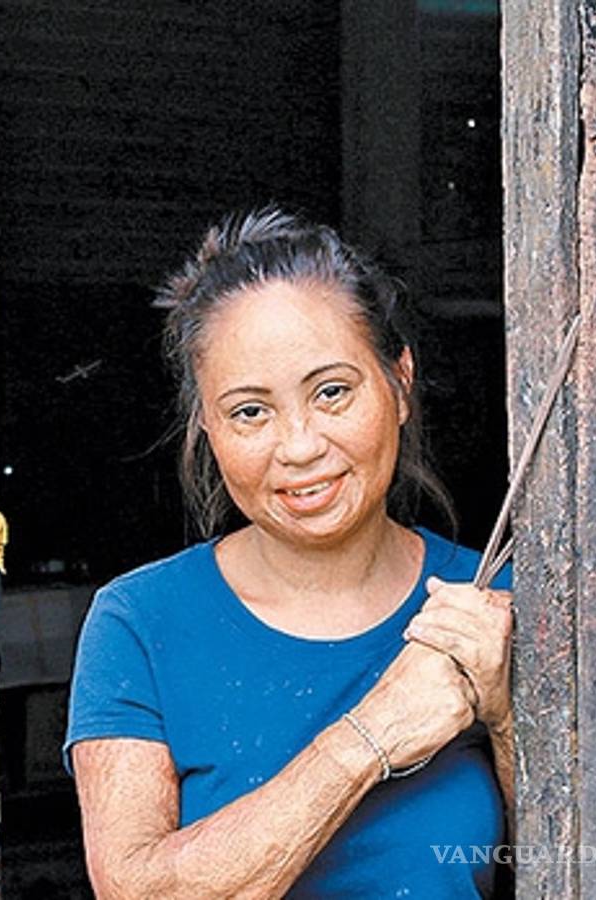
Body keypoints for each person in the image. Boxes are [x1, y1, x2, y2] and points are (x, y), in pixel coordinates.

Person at [64, 209, 514, 898]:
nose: (299, 446)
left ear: (399, 383)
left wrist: (509, 716)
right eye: (250, 411)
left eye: (332, 392)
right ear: (207, 427)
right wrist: (370, 737)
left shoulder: (491, 599)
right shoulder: (140, 623)